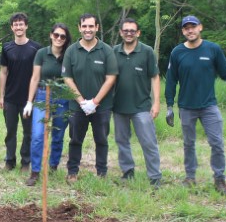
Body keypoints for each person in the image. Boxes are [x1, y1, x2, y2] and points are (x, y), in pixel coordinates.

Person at [165, 15, 226, 195]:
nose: (190, 30)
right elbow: (171, 81)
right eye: (186, 27)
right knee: (188, 144)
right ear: (183, 31)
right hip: (186, 107)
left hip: (209, 106)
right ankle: (190, 178)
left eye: (193, 26)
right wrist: (169, 106)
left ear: (200, 27)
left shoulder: (213, 49)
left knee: (217, 143)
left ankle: (219, 179)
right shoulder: (177, 53)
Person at [62, 14, 117, 183]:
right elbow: (67, 78)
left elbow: (111, 78)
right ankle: (72, 171)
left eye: (91, 26)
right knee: (75, 139)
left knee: (101, 140)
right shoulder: (71, 51)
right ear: (79, 28)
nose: (88, 30)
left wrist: (94, 102)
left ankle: (102, 172)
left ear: (97, 28)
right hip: (77, 106)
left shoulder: (106, 50)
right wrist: (82, 102)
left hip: (102, 106)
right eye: (84, 26)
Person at [112, 18, 162, 187]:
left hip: (142, 106)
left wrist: (156, 102)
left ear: (138, 33)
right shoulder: (113, 52)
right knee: (122, 141)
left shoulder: (147, 51)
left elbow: (155, 77)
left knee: (148, 142)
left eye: (132, 31)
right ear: (121, 32)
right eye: (125, 30)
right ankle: (128, 172)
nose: (129, 33)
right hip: (118, 106)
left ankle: (155, 176)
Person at [22, 23, 72, 186]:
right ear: (51, 35)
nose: (59, 38)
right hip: (43, 96)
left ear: (66, 39)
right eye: (56, 35)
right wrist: (29, 102)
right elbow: (35, 78)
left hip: (62, 96)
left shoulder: (69, 55)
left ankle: (53, 165)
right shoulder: (42, 53)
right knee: (37, 134)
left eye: (62, 36)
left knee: (58, 134)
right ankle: (35, 171)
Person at [0, 12, 41, 172]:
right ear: (12, 27)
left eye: (21, 24)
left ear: (26, 26)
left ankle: (25, 162)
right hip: (10, 98)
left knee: (28, 132)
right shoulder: (6, 48)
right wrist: (1, 96)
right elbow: (3, 72)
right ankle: (9, 161)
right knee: (11, 132)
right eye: (15, 24)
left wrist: (32, 99)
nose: (18, 27)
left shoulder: (36, 48)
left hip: (29, 99)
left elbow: (37, 74)